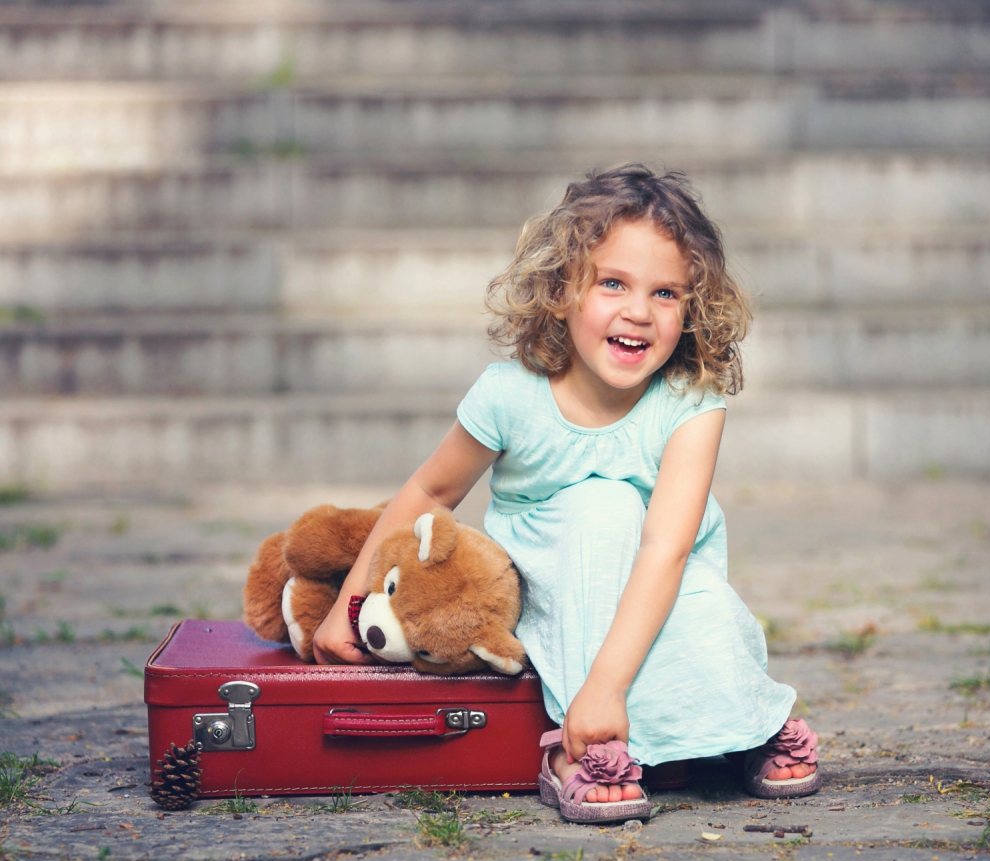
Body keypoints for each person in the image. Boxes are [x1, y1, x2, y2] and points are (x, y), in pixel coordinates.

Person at [309, 164, 820, 822]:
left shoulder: (692, 401)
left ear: (693, 307)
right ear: (561, 290)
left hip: (661, 574)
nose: (638, 311)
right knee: (601, 506)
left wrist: (610, 681)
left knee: (704, 610)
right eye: (613, 283)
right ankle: (576, 747)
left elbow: (666, 546)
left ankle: (741, 725)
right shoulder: (511, 394)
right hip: (551, 576)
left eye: (666, 293)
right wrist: (350, 601)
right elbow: (431, 489)